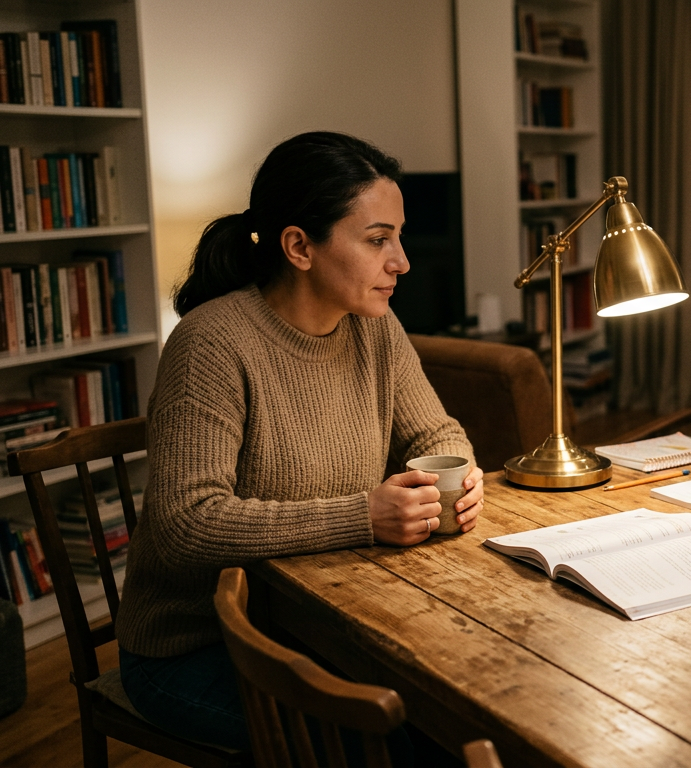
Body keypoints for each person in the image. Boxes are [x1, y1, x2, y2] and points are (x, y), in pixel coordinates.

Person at [115, 132, 482, 755]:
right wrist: (363, 516)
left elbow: (436, 434)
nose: (401, 261)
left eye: (398, 237)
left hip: (320, 622)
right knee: (404, 743)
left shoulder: (374, 327)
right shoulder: (210, 345)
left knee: (456, 710)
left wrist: (463, 478)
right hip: (198, 647)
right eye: (377, 240)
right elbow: (185, 524)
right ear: (299, 247)